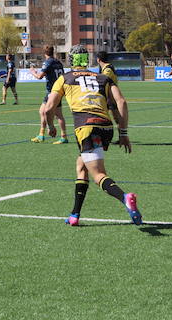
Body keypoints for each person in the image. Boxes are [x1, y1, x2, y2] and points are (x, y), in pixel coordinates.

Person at [44, 45, 142, 227]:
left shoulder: (65, 78)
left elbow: (49, 107)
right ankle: (75, 214)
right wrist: (124, 133)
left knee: (98, 174)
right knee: (81, 165)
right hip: (105, 127)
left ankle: (125, 197)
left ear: (71, 60)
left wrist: (51, 126)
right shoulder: (103, 77)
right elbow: (121, 101)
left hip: (86, 127)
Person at [29, 46, 68, 144]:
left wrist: (33, 72)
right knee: (42, 111)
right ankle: (41, 135)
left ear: (45, 53)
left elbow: (39, 76)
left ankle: (63, 136)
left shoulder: (48, 62)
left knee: (58, 115)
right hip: (57, 90)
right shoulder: (58, 62)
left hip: (52, 91)